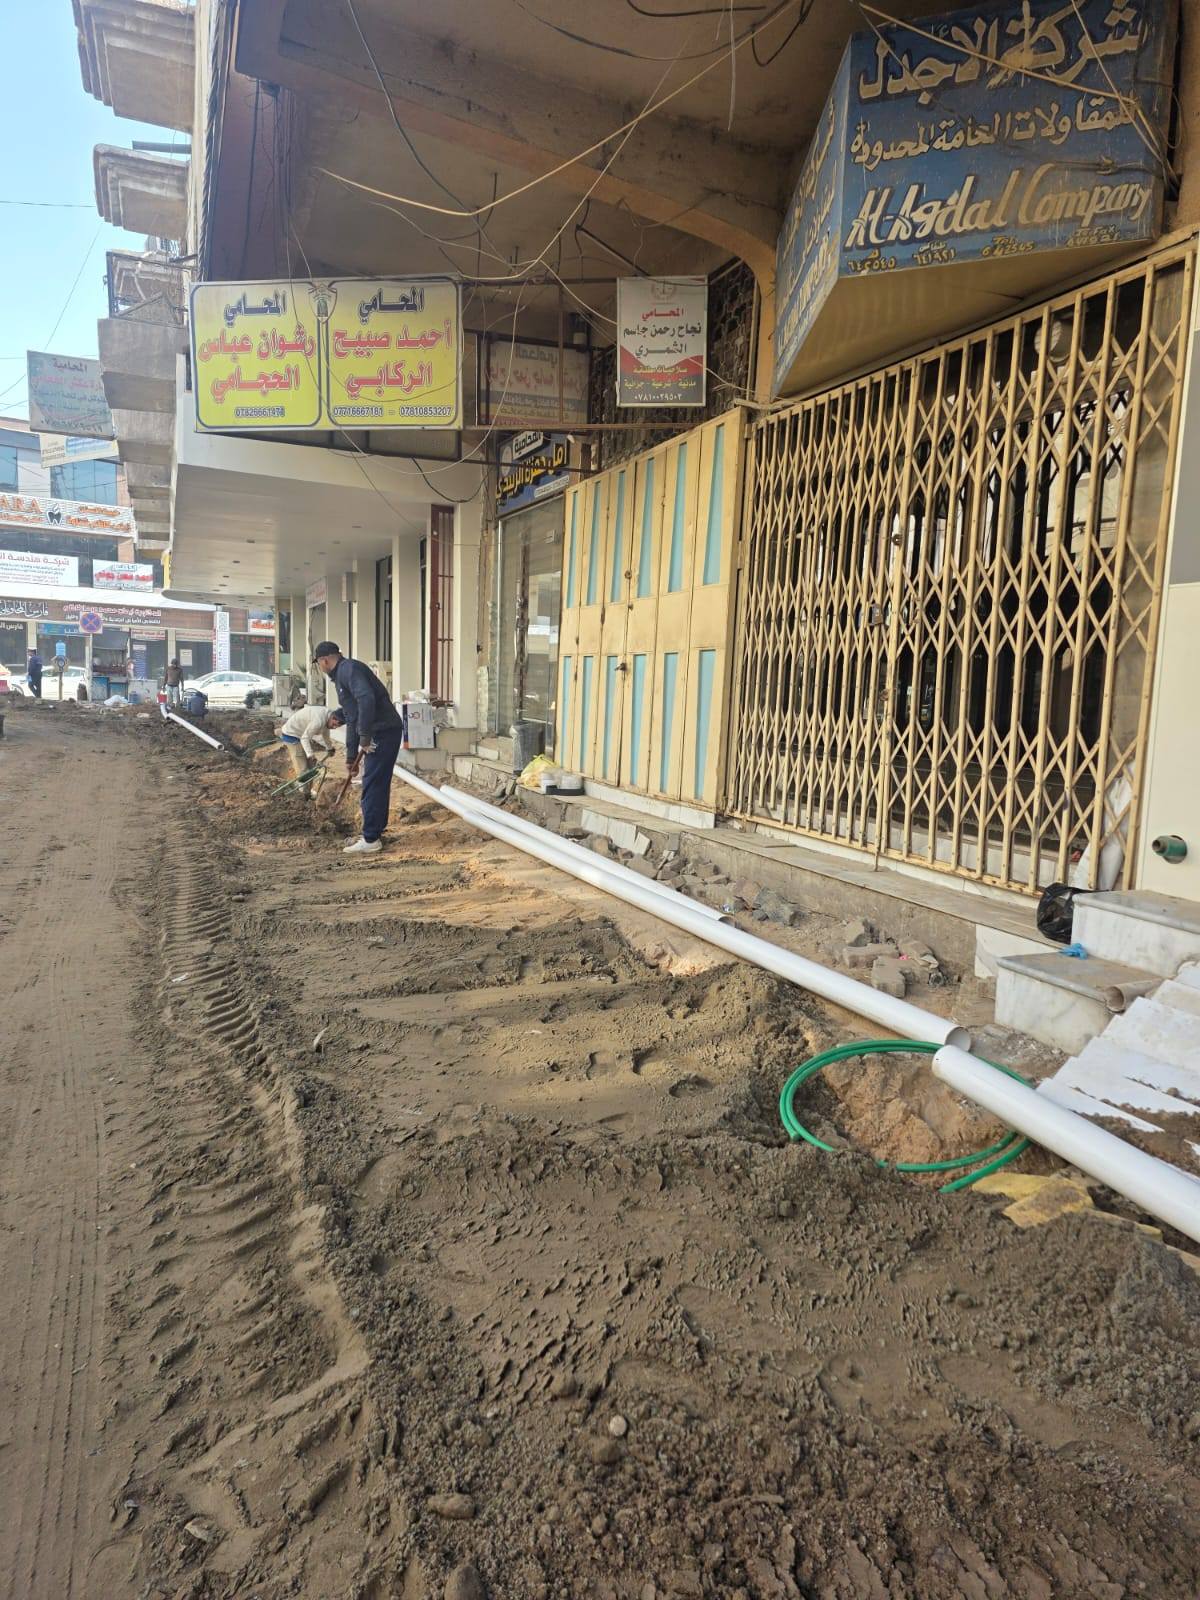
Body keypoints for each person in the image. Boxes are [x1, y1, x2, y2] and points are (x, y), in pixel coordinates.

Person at [312, 641, 405, 855]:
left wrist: (365, 736)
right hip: (380, 731)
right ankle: (375, 831)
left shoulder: (349, 669)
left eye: (318, 664)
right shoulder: (343, 675)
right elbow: (352, 716)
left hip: (383, 731)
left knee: (372, 783)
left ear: (324, 660)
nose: (320, 667)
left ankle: (371, 838)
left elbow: (366, 698)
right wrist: (351, 756)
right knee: (376, 781)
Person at [279, 703, 345, 780]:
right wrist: (310, 755)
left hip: (301, 733)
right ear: (332, 717)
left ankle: (308, 784)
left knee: (310, 766)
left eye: (337, 726)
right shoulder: (319, 720)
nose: (334, 727)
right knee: (302, 766)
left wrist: (329, 748)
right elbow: (305, 739)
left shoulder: (328, 716)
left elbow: (326, 733)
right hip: (291, 734)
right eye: (334, 724)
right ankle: (301, 784)